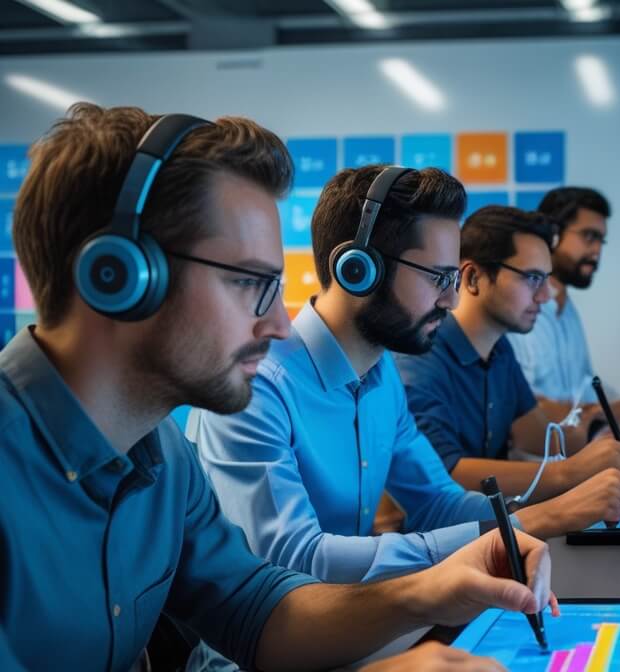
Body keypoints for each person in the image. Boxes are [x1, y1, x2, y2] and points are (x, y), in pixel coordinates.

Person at [0, 104, 551, 671]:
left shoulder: (163, 453)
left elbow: (256, 609)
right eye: (249, 282)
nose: (280, 325)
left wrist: (431, 591)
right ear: (120, 275)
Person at [191, 166, 620, 606]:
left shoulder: (382, 373)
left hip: (354, 619)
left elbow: (437, 503)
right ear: (358, 269)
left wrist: (544, 514)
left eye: (453, 279)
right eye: (438, 278)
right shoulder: (258, 386)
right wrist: (540, 519)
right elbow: (294, 560)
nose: (452, 299)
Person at [396, 205, 620, 503]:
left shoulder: (499, 349)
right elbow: (444, 474)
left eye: (546, 279)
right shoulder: (421, 356)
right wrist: (570, 472)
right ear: (473, 277)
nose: (544, 296)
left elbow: (533, 433)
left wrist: (607, 442)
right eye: (532, 278)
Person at [507, 187, 620, 432]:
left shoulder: (568, 311)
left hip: (574, 452)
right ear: (553, 235)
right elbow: (531, 415)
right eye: (589, 236)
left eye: (601, 240)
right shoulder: (519, 316)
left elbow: (586, 393)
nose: (597, 250)